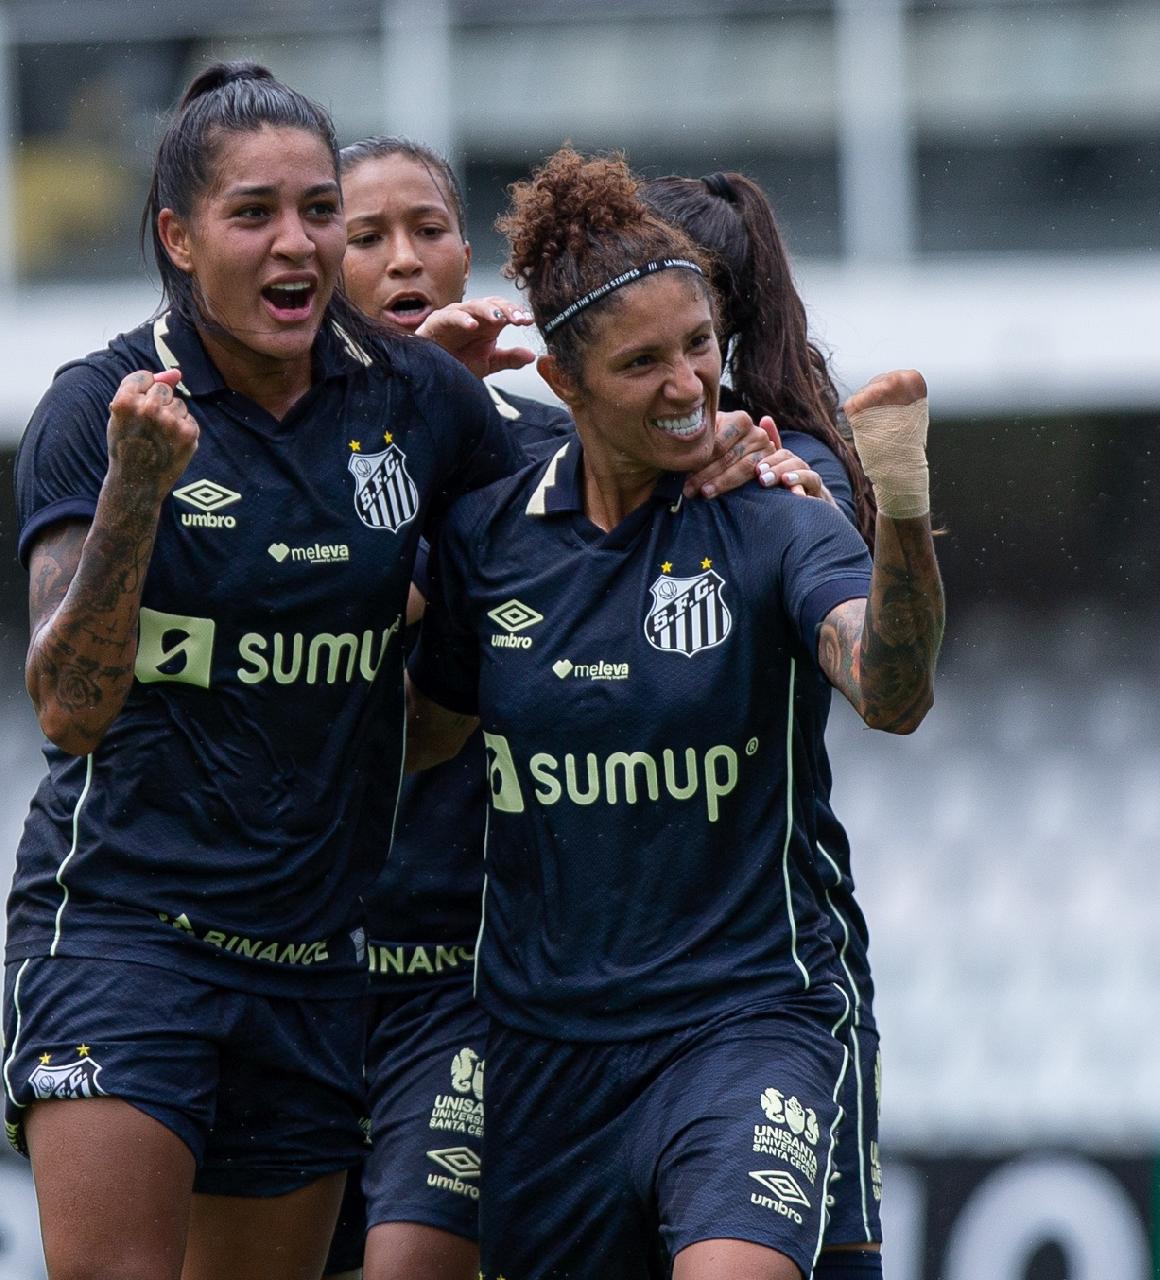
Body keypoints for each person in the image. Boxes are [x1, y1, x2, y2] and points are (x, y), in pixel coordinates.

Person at [2, 62, 529, 1280]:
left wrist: (725, 462)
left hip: (310, 955)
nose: (296, 243)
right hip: (127, 928)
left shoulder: (422, 406)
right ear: (180, 238)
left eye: (316, 210)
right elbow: (70, 705)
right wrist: (139, 488)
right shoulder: (98, 408)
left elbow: (555, 557)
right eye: (254, 215)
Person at [405, 147, 944, 1280]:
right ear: (563, 383)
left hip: (744, 1025)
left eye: (699, 345)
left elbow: (892, 692)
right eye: (642, 361)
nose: (689, 383)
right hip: (545, 1056)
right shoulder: (491, 541)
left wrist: (900, 510)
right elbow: (418, 738)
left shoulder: (775, 508)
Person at [324, 136, 805, 1280]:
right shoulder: (254, 453)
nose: (405, 260)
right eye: (366, 235)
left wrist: (754, 452)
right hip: (279, 951)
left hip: (467, 986)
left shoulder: (562, 457)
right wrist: (394, 414)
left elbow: (735, 495)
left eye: (430, 229)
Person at [642, 171, 888, 1277]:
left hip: (766, 987)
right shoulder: (543, 492)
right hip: (586, 1002)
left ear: (724, 323)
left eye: (684, 323)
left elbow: (887, 677)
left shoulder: (790, 477)